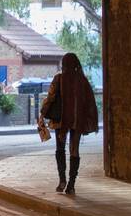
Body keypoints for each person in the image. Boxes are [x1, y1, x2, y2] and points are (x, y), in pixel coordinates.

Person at [39, 52, 100, 195]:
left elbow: (50, 97)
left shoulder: (59, 78)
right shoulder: (82, 81)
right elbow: (89, 102)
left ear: (64, 64)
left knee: (60, 149)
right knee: (74, 150)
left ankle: (62, 181)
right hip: (77, 121)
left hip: (61, 121)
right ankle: (72, 185)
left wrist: (42, 113)